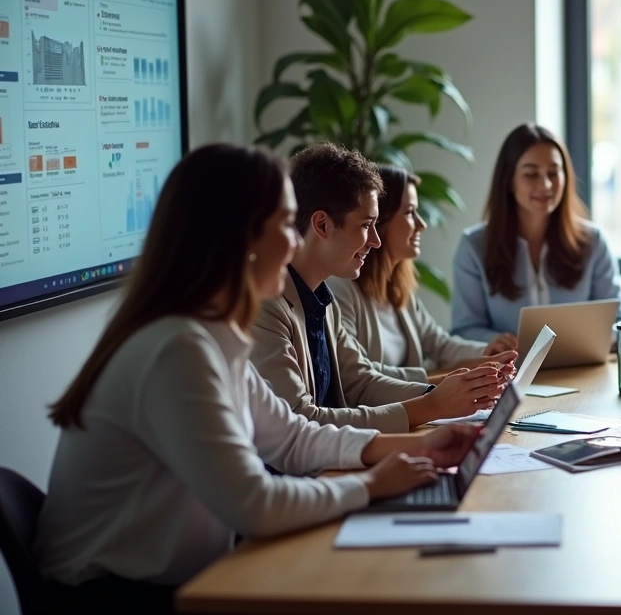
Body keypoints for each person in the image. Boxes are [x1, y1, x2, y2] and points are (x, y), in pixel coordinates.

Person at [36, 144, 481, 614]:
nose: (295, 244)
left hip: (174, 580)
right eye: (285, 226)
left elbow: (291, 437)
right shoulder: (176, 349)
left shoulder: (211, 332)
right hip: (112, 596)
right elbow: (254, 504)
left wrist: (418, 446)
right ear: (241, 238)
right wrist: (370, 486)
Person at [252, 143, 505, 432]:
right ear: (322, 225)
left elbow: (360, 381)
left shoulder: (323, 300)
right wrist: (433, 405)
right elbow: (299, 420)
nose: (376, 240)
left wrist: (443, 394)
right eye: (366, 225)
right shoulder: (268, 306)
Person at [329, 166, 518, 384]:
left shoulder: (398, 288)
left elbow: (438, 343)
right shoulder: (342, 290)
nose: (422, 224)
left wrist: (488, 350)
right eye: (409, 212)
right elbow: (359, 375)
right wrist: (435, 380)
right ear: (379, 221)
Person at [451, 123, 621, 343]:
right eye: (531, 174)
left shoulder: (593, 243)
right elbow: (464, 330)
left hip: (581, 365)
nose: (545, 185)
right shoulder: (474, 247)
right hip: (511, 365)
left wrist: (597, 336)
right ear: (509, 180)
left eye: (553, 173)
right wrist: (498, 341)